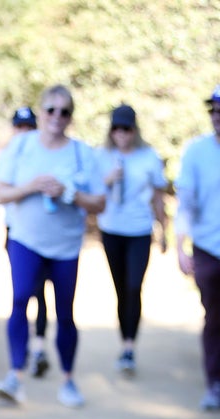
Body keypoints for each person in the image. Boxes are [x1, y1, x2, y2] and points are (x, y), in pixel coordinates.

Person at [0, 85, 106, 407]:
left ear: (71, 117)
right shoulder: (21, 147)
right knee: (20, 299)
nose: (57, 116)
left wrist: (69, 193)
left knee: (65, 313)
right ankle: (15, 376)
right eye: (51, 110)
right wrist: (32, 186)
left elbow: (99, 203)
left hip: (66, 247)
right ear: (41, 112)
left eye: (64, 111)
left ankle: (68, 380)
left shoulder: (82, 153)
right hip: (26, 240)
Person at [96, 105, 168, 374]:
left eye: (126, 128)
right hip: (111, 230)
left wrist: (163, 230)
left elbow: (158, 197)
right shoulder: (101, 156)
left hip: (139, 231)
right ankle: (124, 342)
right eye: (116, 128)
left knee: (134, 286)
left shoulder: (149, 157)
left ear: (134, 130)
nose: (121, 134)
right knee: (120, 289)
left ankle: (129, 347)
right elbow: (90, 191)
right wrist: (107, 178)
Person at [0, 106, 50, 378]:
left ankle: (39, 348)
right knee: (23, 293)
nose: (24, 132)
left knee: (41, 293)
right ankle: (23, 348)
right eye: (19, 127)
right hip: (15, 234)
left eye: (29, 127)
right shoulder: (8, 157)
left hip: (42, 234)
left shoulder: (42, 157)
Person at [175, 85, 220, 411]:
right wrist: (180, 246)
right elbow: (185, 204)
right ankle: (213, 383)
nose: (217, 117)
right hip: (208, 248)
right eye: (214, 111)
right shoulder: (196, 152)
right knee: (215, 318)